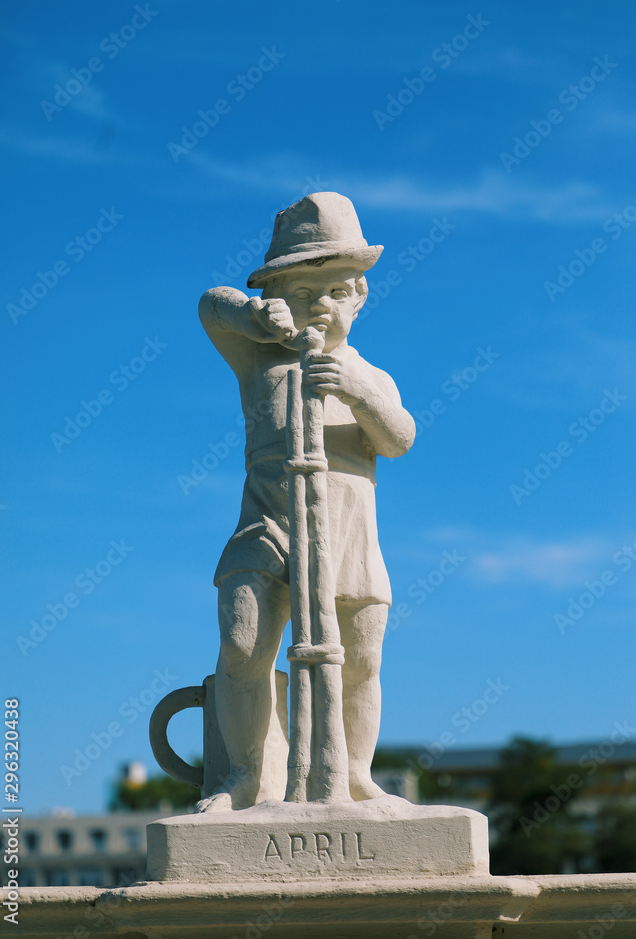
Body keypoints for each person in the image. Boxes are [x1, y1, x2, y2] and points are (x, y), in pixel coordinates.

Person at [198, 192, 415, 810]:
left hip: (347, 534)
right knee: (243, 646)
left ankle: (355, 776)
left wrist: (358, 392)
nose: (321, 303)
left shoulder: (370, 375)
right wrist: (254, 318)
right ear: (277, 295)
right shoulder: (258, 357)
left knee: (361, 660)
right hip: (267, 524)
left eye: (337, 290)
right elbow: (211, 306)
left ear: (360, 296)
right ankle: (246, 776)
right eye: (301, 291)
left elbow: (399, 439)